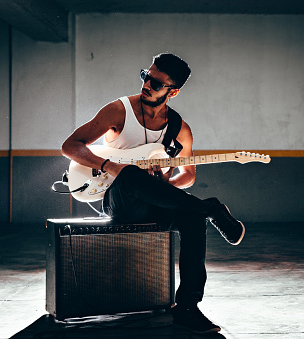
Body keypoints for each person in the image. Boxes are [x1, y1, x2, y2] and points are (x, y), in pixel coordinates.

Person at [61, 53, 245, 334]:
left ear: (173, 92)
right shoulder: (119, 110)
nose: (147, 84)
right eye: (146, 76)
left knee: (192, 220)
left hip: (155, 201)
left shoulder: (179, 129)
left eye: (156, 83)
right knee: (131, 174)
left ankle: (187, 308)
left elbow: (188, 176)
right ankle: (210, 208)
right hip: (118, 201)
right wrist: (111, 166)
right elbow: (70, 146)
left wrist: (161, 184)